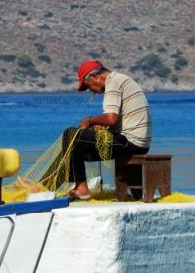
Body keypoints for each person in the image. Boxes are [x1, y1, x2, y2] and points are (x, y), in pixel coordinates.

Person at [64, 59, 152, 200]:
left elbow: (111, 118)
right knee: (73, 146)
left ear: (95, 77)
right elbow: (117, 120)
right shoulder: (119, 79)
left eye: (88, 86)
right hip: (136, 142)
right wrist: (102, 126)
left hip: (130, 143)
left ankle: (80, 189)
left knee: (71, 135)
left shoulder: (113, 82)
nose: (91, 91)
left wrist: (90, 120)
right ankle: (49, 185)